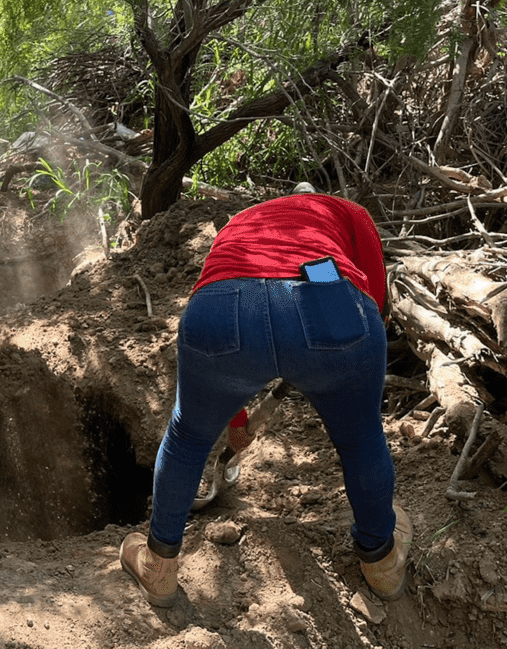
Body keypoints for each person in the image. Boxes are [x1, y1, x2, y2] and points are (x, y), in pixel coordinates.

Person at [119, 188, 413, 607]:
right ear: (317, 201)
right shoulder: (346, 212)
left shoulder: (243, 220)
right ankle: (381, 563)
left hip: (225, 303)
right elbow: (374, 298)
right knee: (360, 438)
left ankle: (159, 566)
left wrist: (235, 424)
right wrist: (325, 351)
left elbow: (227, 340)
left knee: (188, 436)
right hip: (323, 282)